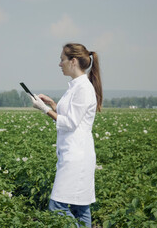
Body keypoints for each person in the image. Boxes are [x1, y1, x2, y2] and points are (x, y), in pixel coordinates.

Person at [30, 43, 102, 228]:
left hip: (77, 156)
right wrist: (53, 104)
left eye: (62, 60)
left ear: (73, 61)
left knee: (57, 206)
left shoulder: (83, 89)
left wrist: (44, 110)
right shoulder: (75, 87)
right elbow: (70, 115)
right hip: (74, 152)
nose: (60, 64)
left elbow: (70, 122)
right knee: (80, 208)